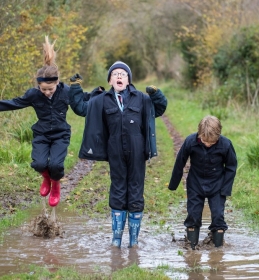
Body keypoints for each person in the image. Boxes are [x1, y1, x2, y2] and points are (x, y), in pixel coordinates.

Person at [69, 61, 167, 247]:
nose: (119, 76)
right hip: (114, 150)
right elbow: (81, 108)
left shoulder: (141, 98)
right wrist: (74, 88)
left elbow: (159, 109)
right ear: (110, 80)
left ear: (129, 79)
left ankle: (134, 240)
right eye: (115, 74)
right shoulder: (101, 100)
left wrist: (156, 95)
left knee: (136, 190)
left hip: (137, 150)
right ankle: (116, 239)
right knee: (118, 189)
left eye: (123, 74)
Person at [0, 36, 71, 207]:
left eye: (50, 89)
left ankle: (56, 186)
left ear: (57, 83)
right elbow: (15, 103)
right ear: (38, 86)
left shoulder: (66, 91)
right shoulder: (33, 94)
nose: (47, 92)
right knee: (39, 163)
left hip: (61, 135)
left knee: (56, 164)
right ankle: (46, 179)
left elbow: (84, 100)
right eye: (43, 89)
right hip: (42, 134)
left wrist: (100, 94)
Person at [168, 115, 237, 248]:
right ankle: (191, 245)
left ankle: (217, 247)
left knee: (218, 215)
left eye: (211, 143)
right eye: (204, 141)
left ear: (218, 136)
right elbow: (180, 162)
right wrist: (173, 184)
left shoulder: (226, 144)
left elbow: (231, 167)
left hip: (217, 184)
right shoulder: (190, 141)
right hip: (195, 183)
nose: (207, 144)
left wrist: (225, 189)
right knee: (193, 214)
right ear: (199, 134)